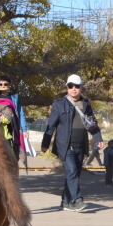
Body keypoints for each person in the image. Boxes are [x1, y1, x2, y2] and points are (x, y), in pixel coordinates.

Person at [41, 73, 101, 212]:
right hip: (65, 145)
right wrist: (45, 143)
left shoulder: (86, 104)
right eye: (70, 86)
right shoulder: (59, 104)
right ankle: (78, 200)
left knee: (73, 174)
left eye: (77, 86)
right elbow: (51, 125)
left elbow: (92, 123)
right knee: (73, 171)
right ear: (67, 88)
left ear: (81, 88)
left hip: (81, 144)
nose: (74, 88)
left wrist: (98, 138)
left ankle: (66, 201)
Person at [0, 76, 34, 163]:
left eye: (5, 84)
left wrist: (24, 130)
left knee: (15, 154)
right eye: (0, 84)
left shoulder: (14, 98)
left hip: (14, 128)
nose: (3, 86)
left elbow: (20, 113)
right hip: (0, 128)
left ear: (9, 85)